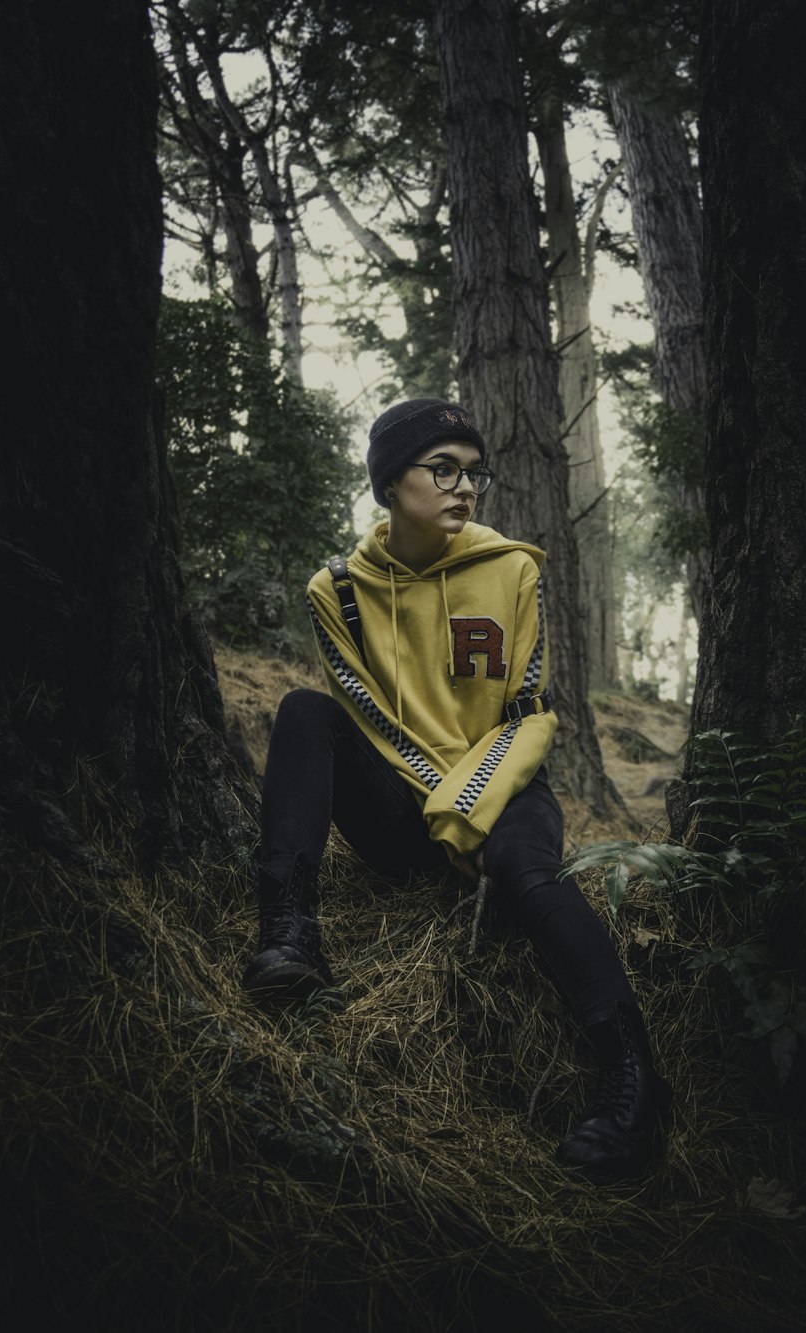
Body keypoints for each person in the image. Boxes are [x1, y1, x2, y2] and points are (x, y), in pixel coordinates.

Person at [243, 398, 670, 1184]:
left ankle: (632, 1080)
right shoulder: (335, 591)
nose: (463, 486)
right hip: (408, 802)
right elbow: (372, 722)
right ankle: (289, 929)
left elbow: (531, 710)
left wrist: (470, 810)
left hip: (508, 785)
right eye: (442, 468)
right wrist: (443, 815)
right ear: (389, 482)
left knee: (529, 872)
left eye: (474, 472)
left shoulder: (515, 569)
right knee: (306, 712)